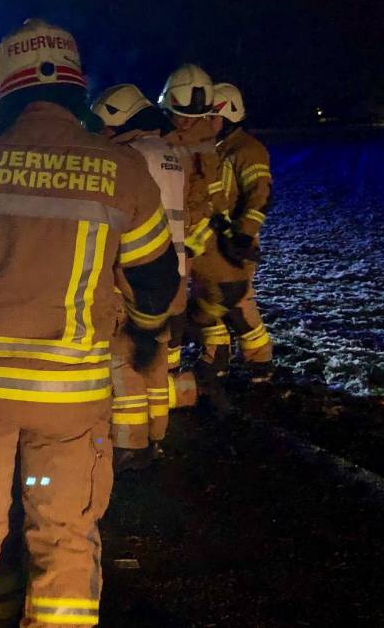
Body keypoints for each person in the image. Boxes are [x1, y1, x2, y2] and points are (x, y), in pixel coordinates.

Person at [0, 18, 179, 627]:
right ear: (76, 89)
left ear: (2, 89)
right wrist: (148, 333)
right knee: (66, 536)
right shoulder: (121, 171)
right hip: (70, 399)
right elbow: (155, 279)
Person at [91, 84, 189, 468]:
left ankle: (131, 446)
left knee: (124, 359)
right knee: (155, 358)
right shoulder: (171, 154)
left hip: (134, 276)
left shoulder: (128, 157)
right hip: (174, 275)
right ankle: (157, 436)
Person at [159, 63, 235, 412]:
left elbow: (203, 200)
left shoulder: (178, 141)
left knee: (170, 306)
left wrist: (187, 240)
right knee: (185, 301)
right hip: (189, 238)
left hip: (175, 240)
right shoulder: (205, 142)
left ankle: (173, 372)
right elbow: (212, 201)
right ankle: (210, 363)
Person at [206, 82, 274, 381]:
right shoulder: (220, 148)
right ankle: (216, 359)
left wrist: (244, 235)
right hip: (216, 240)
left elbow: (260, 194)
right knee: (211, 300)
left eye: (210, 115)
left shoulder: (247, 149)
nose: (205, 122)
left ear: (228, 113)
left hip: (235, 242)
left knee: (238, 301)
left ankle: (260, 361)